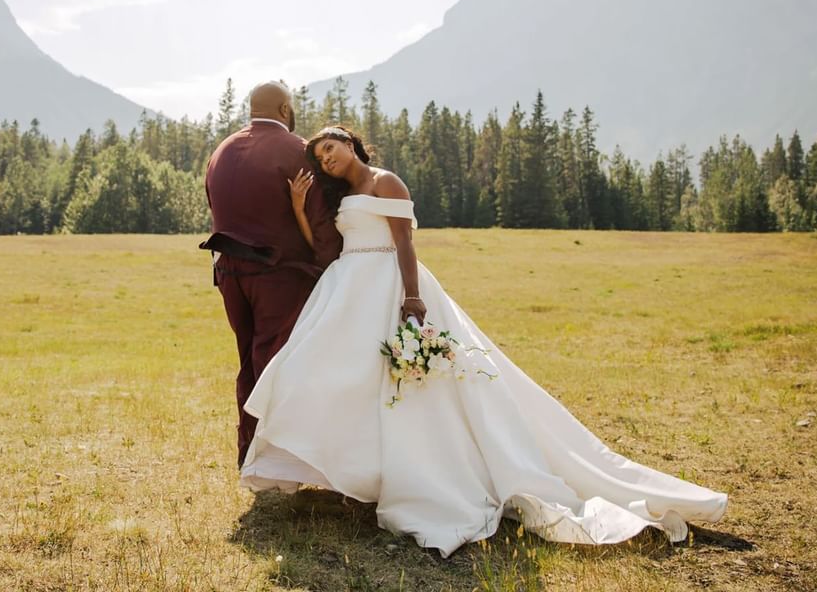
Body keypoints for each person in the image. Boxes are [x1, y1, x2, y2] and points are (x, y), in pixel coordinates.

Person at [240, 125, 728, 557]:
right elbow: (324, 248)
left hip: (388, 285)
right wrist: (302, 208)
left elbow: (405, 243)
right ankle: (352, 472)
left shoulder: (386, 181)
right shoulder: (337, 198)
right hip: (348, 291)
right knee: (329, 376)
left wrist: (412, 299)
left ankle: (416, 476)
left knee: (408, 390)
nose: (327, 160)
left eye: (331, 149)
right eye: (320, 157)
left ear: (350, 142)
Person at [200, 82, 343, 469]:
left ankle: (248, 448)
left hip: (229, 273)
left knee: (248, 360)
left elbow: (215, 204)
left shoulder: (222, 150)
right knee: (275, 364)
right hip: (279, 275)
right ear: (284, 109)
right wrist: (335, 261)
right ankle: (273, 458)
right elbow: (318, 216)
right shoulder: (296, 150)